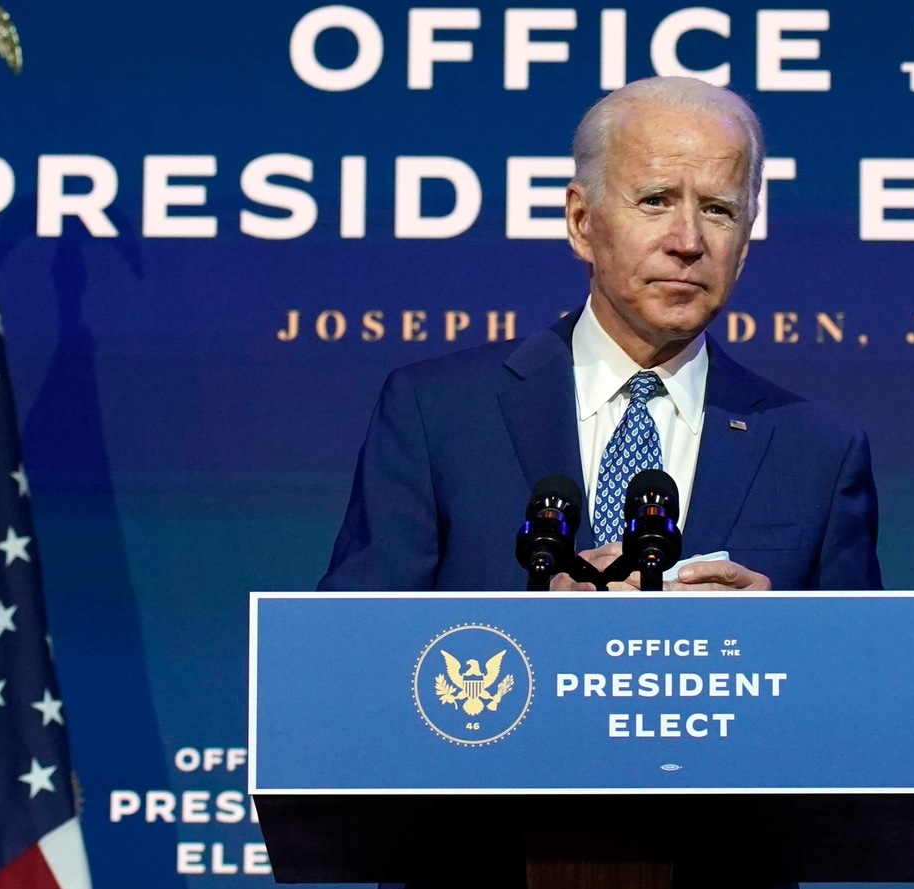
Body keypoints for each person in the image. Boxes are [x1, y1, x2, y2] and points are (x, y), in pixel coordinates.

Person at [320, 76, 882, 597]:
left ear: (745, 242)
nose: (687, 241)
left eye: (718, 210)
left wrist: (782, 636)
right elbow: (351, 655)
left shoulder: (818, 454)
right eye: (655, 200)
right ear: (582, 222)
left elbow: (868, 681)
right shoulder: (436, 414)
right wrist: (539, 634)